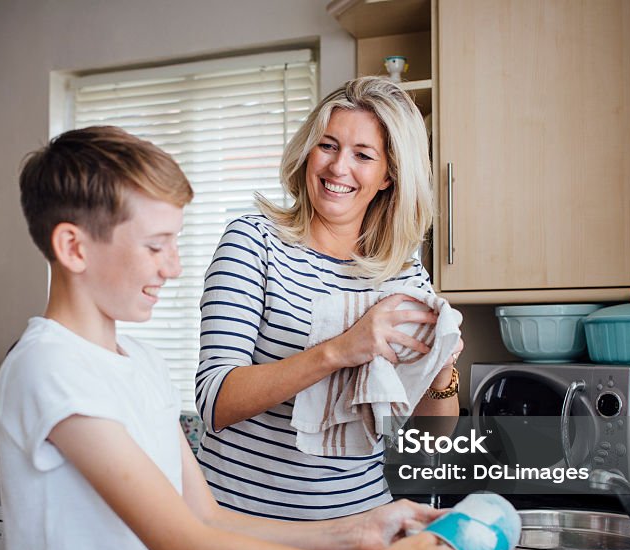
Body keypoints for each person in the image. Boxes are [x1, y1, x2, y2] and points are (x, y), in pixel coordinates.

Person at [0, 125, 461, 550]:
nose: (174, 267)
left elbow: (206, 518)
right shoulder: (50, 367)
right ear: (73, 247)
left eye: (174, 243)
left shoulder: (139, 362)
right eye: (155, 245)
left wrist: (361, 532)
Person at [195, 76, 462, 523]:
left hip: (360, 530)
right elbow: (215, 401)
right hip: (247, 539)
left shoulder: (405, 275)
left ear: (388, 175)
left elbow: (430, 443)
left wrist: (443, 369)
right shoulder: (253, 242)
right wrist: (339, 351)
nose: (338, 168)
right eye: (328, 145)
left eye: (363, 155)